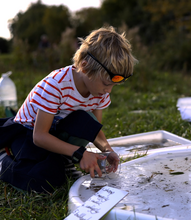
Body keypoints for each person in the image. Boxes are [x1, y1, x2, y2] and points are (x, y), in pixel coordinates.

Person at [0, 26, 138, 193]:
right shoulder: (56, 85)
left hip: (56, 132)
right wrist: (80, 153)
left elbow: (92, 129)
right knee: (45, 182)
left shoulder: (98, 90)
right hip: (28, 134)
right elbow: (39, 136)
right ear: (85, 67)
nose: (109, 91)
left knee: (86, 121)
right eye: (107, 84)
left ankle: (62, 160)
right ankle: (3, 161)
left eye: (113, 86)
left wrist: (108, 150)